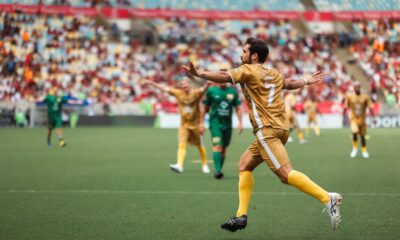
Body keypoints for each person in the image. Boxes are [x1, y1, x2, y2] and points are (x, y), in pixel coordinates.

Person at [183, 37, 342, 232]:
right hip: (280, 129)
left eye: (244, 51)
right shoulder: (273, 72)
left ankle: (327, 198)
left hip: (267, 131)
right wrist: (306, 80)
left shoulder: (247, 70)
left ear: (254, 55)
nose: (241, 54)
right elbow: (290, 83)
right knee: (244, 165)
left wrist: (199, 73)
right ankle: (241, 216)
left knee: (285, 175)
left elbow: (225, 76)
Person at [141, 78, 211, 174]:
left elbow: (203, 90)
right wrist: (151, 83)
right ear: (181, 86)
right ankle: (179, 165)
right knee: (182, 143)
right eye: (182, 84)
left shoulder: (195, 93)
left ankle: (204, 164)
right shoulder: (178, 93)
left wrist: (207, 85)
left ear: (189, 84)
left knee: (199, 145)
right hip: (184, 124)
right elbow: (164, 88)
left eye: (186, 83)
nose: (184, 85)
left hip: (196, 124)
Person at [200, 82, 243, 179]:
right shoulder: (211, 91)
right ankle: (217, 171)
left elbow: (238, 108)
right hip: (215, 123)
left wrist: (240, 123)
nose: (223, 81)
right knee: (217, 146)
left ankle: (219, 169)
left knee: (223, 149)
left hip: (227, 125)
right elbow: (204, 107)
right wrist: (201, 123)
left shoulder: (233, 92)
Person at [343, 83, 375, 158]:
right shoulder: (350, 97)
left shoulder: (365, 97)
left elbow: (370, 107)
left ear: (360, 87)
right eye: (355, 87)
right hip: (353, 118)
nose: (357, 88)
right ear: (353, 88)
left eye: (358, 87)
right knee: (355, 132)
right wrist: (343, 118)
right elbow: (345, 107)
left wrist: (373, 118)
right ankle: (354, 149)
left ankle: (364, 151)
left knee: (363, 136)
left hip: (362, 119)